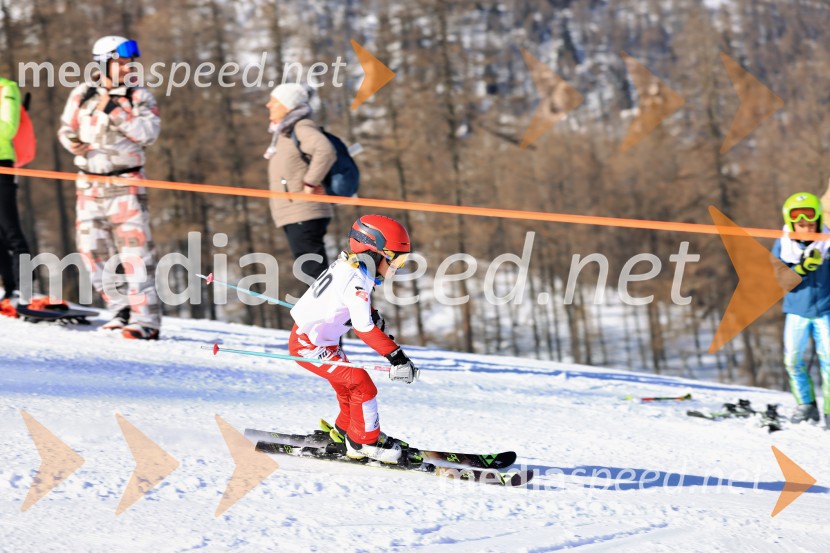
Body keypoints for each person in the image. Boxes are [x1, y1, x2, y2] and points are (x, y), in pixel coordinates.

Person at [288, 215, 419, 463]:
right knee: (362, 385)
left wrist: (371, 315)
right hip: (309, 346)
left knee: (351, 386)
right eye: (396, 259)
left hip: (320, 341)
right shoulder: (357, 281)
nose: (398, 267)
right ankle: (362, 443)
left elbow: (350, 307)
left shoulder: (349, 266)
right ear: (374, 254)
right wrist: (398, 358)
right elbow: (363, 328)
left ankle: (347, 431)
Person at [57, 36, 162, 340]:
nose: (127, 67)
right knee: (91, 251)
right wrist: (72, 144)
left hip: (125, 183)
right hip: (89, 183)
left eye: (129, 62)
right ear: (103, 63)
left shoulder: (138, 96)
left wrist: (116, 110)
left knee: (135, 253)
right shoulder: (83, 93)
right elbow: (66, 128)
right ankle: (121, 308)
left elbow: (149, 133)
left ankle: (146, 320)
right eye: (120, 62)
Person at [265, 83, 336, 282]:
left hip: (304, 210)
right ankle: (326, 309)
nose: (268, 105)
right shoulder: (285, 131)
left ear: (288, 106)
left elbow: (325, 150)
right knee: (309, 269)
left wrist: (310, 183)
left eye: (274, 102)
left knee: (312, 271)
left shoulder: (300, 126)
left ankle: (332, 311)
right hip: (296, 212)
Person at [772, 192, 830, 427]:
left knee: (829, 361)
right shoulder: (783, 245)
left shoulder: (827, 242)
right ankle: (806, 405)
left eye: (810, 223)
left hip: (826, 310)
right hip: (796, 311)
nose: (806, 228)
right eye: (801, 224)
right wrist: (804, 267)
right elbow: (782, 281)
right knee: (793, 360)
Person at [0, 75, 31, 302]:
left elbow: (8, 128)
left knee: (11, 230)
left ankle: (26, 288)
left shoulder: (6, 87)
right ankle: (9, 288)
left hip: (2, 164)